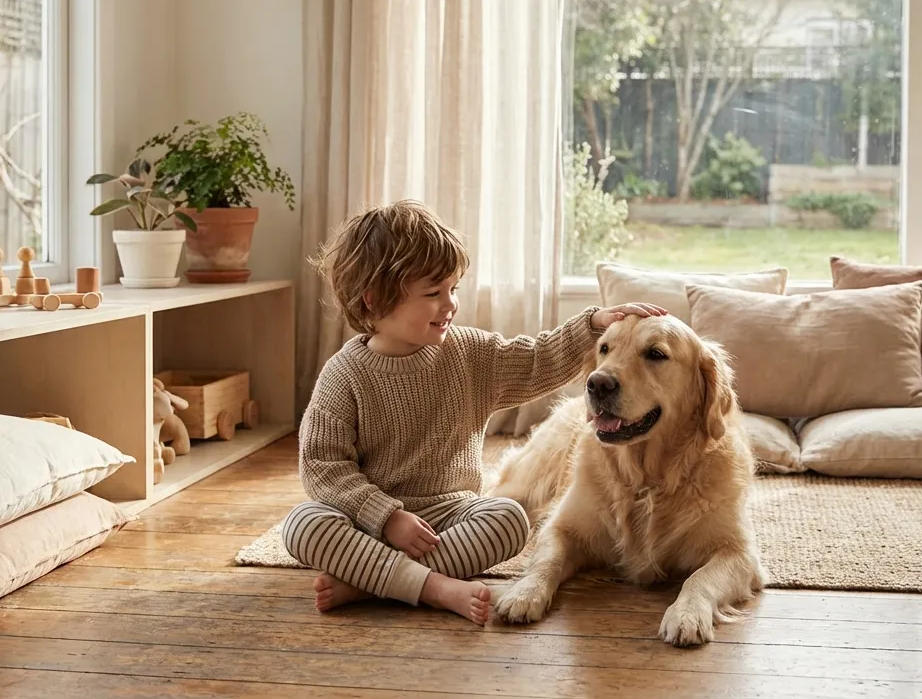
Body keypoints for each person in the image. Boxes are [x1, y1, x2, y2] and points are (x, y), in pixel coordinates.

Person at [282, 199, 664, 624]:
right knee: (303, 524)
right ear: (373, 300)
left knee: (509, 519)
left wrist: (593, 325)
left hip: (450, 515)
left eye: (453, 289)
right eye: (433, 293)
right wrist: (386, 518)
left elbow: (537, 359)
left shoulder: (469, 353)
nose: (450, 304)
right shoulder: (343, 375)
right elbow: (323, 467)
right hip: (368, 521)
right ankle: (435, 588)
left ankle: (370, 581)